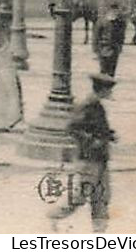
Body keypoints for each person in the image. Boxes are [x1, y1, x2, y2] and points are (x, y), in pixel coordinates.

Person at [49, 73, 118, 232]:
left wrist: (109, 135)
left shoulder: (97, 105)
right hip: (89, 159)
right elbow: (73, 128)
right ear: (101, 90)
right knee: (80, 196)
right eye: (108, 90)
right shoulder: (88, 105)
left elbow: (96, 128)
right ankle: (54, 216)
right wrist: (91, 141)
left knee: (102, 196)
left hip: (100, 158)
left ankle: (100, 233)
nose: (110, 93)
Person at [95, 3, 127, 77]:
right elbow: (96, 36)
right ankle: (104, 86)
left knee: (111, 70)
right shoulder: (102, 21)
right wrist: (96, 49)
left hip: (113, 48)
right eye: (113, 10)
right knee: (104, 69)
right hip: (104, 47)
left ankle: (107, 86)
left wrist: (120, 47)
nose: (114, 12)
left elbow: (121, 35)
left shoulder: (119, 22)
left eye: (116, 11)